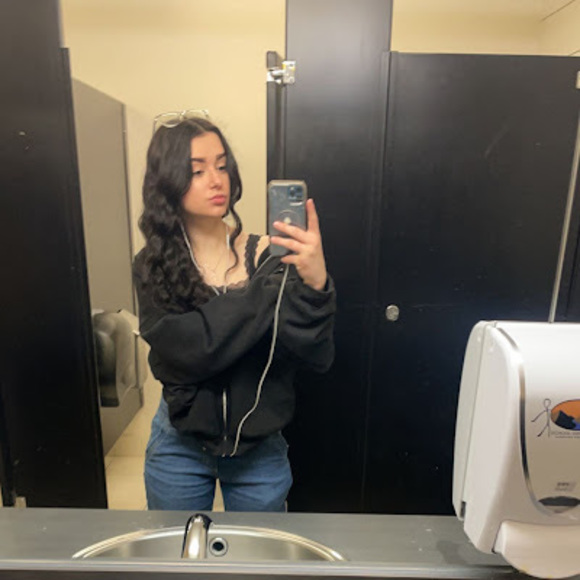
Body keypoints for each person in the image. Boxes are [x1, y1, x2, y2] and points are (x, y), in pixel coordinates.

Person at [133, 115, 336, 512]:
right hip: (179, 445)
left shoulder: (271, 257)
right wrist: (266, 292)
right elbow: (187, 353)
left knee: (259, 551)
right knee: (179, 551)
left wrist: (316, 284)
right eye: (197, 171)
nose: (216, 180)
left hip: (260, 451)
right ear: (169, 181)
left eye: (222, 166)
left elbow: (315, 354)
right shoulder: (153, 265)